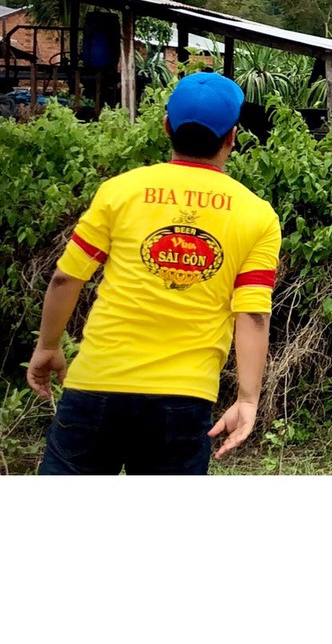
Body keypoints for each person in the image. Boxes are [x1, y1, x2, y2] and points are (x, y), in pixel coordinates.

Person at [26, 71, 282, 475]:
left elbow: (65, 278)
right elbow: (252, 314)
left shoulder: (120, 190)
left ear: (167, 126)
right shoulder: (257, 214)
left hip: (96, 383)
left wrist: (48, 346)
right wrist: (248, 398)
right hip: (185, 398)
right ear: (232, 136)